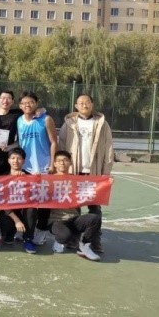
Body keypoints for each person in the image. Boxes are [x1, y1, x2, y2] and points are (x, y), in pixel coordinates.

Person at [58, 93, 113, 253]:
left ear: (92, 104)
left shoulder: (102, 124)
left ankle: (94, 240)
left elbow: (109, 148)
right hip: (74, 172)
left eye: (87, 102)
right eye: (81, 103)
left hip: (94, 174)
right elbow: (62, 147)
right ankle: (74, 239)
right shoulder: (68, 124)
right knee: (73, 208)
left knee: (95, 208)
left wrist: (105, 173)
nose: (84, 105)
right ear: (76, 106)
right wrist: (63, 171)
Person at [17, 91, 57, 245]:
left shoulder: (46, 119)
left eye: (31, 102)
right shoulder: (19, 120)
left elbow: (53, 142)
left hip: (44, 167)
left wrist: (52, 163)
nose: (27, 105)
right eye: (24, 103)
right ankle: (27, 231)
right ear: (20, 106)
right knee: (27, 202)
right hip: (26, 167)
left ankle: (41, 232)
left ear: (36, 103)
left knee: (44, 203)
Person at [49, 151, 101, 261]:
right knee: (64, 236)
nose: (62, 163)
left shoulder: (77, 181)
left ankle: (84, 246)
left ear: (70, 163)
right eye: (59, 161)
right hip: (57, 220)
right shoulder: (48, 180)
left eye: (65, 160)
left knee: (95, 218)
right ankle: (59, 240)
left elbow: (92, 191)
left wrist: (107, 183)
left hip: (74, 219)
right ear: (54, 164)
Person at [0, 148, 38, 254]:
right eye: (13, 158)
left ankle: (28, 239)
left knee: (32, 209)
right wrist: (17, 221)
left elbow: (36, 196)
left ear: (23, 161)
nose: (15, 161)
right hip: (9, 212)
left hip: (23, 211)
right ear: (8, 160)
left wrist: (36, 179)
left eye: (19, 158)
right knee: (8, 237)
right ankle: (7, 233)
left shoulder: (29, 176)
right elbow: (2, 202)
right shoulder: (2, 177)